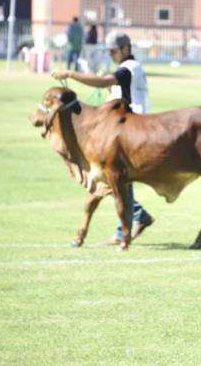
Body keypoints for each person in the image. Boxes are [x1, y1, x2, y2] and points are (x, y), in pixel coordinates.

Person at [52, 30, 154, 245]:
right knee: (118, 180)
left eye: (113, 51)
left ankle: (135, 217)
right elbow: (116, 89)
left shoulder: (128, 68)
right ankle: (126, 225)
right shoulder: (130, 69)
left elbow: (103, 80)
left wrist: (71, 74)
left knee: (110, 177)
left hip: (130, 131)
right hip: (131, 129)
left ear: (126, 49)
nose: (111, 55)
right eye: (109, 51)